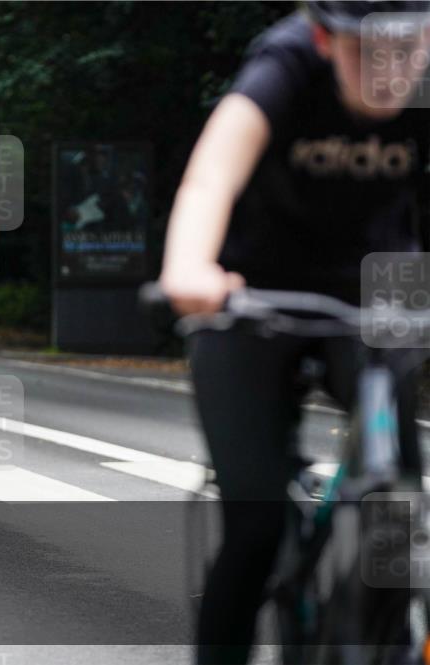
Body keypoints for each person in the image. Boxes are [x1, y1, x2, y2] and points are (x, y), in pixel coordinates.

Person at [158, 2, 429, 663]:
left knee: (397, 505)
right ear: (325, 39)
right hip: (251, 301)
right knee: (255, 526)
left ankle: (377, 632)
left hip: (374, 298)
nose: (391, 72)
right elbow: (209, 177)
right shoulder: (284, 66)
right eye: (369, 51)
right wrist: (190, 267)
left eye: (408, 48)